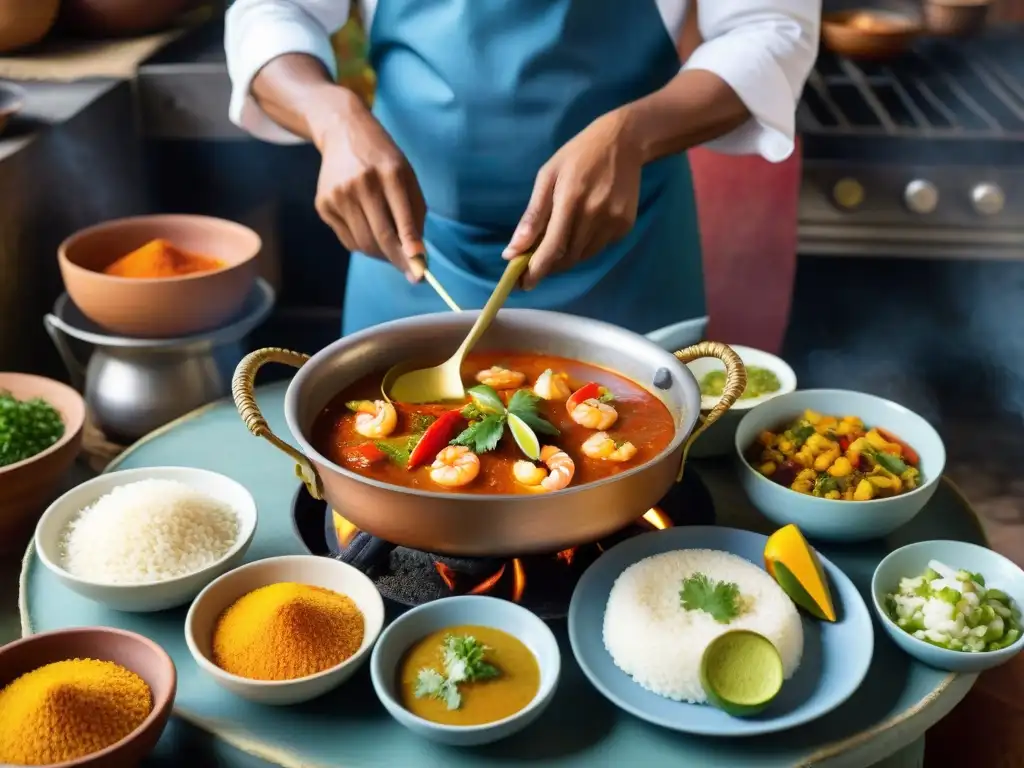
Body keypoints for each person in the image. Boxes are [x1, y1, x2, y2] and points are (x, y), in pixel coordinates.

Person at [225, 0, 819, 345]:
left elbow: (769, 27)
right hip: (408, 249)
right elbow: (272, 10)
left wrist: (636, 133)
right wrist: (328, 114)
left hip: (623, 251)